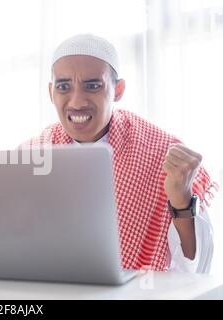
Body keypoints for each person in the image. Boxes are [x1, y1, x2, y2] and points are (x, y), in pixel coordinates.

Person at [21, 34, 218, 272]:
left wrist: (181, 198)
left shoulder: (162, 154)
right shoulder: (29, 155)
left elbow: (195, 269)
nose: (77, 101)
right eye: (64, 87)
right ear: (51, 92)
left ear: (118, 90)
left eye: (92, 86)